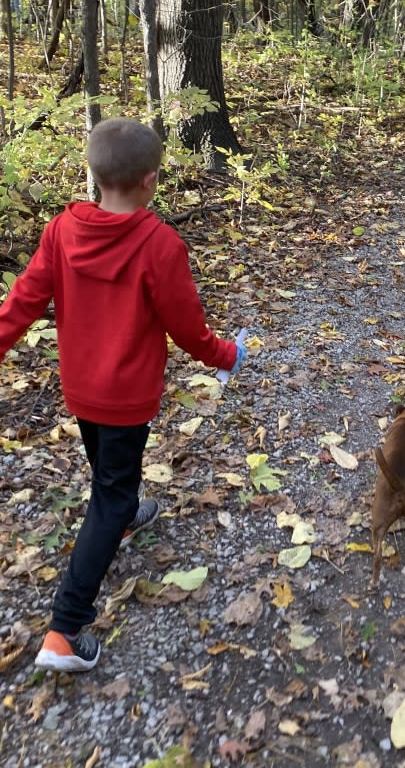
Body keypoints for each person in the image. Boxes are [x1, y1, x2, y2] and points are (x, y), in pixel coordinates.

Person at [0, 117, 247, 672]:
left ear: (95, 174)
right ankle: (66, 629)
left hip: (83, 387)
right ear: (150, 181)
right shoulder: (159, 245)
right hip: (128, 394)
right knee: (108, 495)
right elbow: (186, 327)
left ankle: (130, 509)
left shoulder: (61, 232)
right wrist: (226, 355)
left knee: (111, 475)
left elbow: (23, 300)